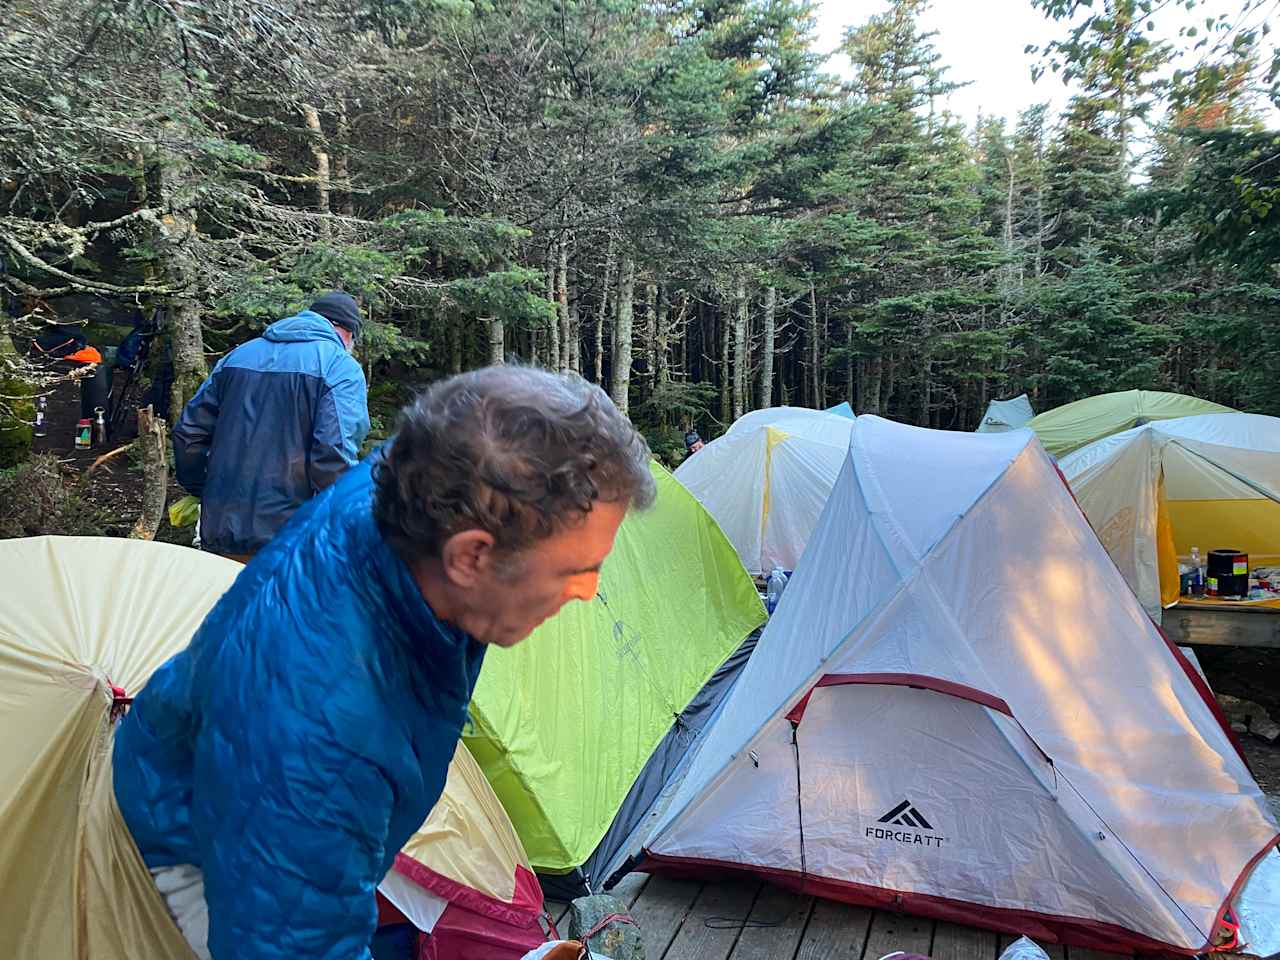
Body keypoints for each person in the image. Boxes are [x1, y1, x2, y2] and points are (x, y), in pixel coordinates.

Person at [112, 365, 657, 960]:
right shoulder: (321, 740)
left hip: (221, 765)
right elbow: (291, 941)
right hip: (200, 840)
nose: (586, 591)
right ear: (471, 559)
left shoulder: (413, 486)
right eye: (573, 569)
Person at [171, 291, 370, 562]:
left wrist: (203, 488)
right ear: (347, 332)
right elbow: (333, 453)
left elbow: (188, 434)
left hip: (220, 529)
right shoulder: (339, 366)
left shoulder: (238, 356)